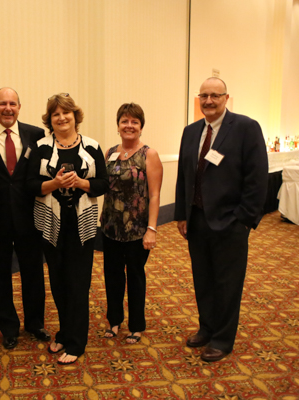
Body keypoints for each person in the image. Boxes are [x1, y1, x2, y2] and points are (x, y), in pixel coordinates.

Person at [175, 77, 268, 362]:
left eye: (215, 95)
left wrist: (244, 220)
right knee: (203, 279)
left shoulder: (246, 128)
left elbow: (257, 178)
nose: (209, 101)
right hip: (197, 220)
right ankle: (207, 328)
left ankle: (223, 339)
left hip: (230, 223)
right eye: (204, 95)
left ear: (226, 98)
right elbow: (184, 175)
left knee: (227, 283)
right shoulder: (191, 131)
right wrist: (182, 215)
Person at [27, 93, 109, 365]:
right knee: (59, 282)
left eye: (66, 113)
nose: (61, 118)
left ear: (75, 116)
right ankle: (64, 333)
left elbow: (103, 183)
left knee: (78, 283)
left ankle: (76, 342)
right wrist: (55, 183)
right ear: (50, 119)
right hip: (50, 224)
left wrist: (81, 183)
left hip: (81, 225)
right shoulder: (41, 147)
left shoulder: (92, 147)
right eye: (56, 114)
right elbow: (30, 185)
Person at [0, 87, 49, 349]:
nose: (8, 108)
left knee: (33, 272)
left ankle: (35, 323)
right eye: (2, 103)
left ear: (19, 107)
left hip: (29, 217)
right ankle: (8, 328)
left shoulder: (36, 134)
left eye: (12, 103)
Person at [100, 103, 163, 344]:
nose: (129, 126)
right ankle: (114, 321)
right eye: (124, 121)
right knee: (112, 276)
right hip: (110, 228)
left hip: (137, 229)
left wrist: (152, 229)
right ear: (118, 126)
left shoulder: (149, 154)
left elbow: (154, 195)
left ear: (141, 126)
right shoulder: (109, 153)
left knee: (135, 277)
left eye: (134, 122)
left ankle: (136, 326)